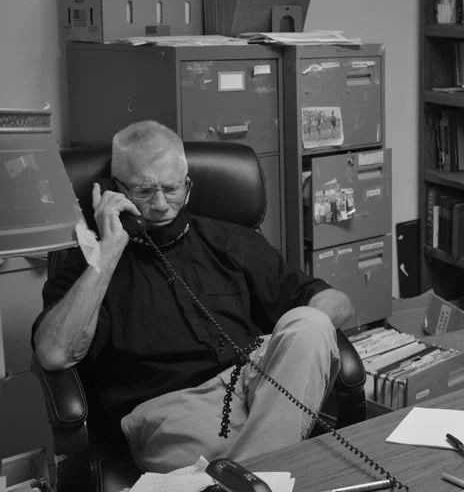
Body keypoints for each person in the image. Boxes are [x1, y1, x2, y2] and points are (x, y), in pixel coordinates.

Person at [33, 121, 354, 473]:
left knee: (309, 324)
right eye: (143, 191)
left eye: (171, 189)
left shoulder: (231, 240)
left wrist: (293, 344)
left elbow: (336, 304)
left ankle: (241, 484)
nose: (159, 205)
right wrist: (108, 250)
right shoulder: (89, 263)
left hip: (255, 385)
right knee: (253, 453)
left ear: (188, 186)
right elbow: (54, 353)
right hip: (175, 413)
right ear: (114, 189)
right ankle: (260, 475)